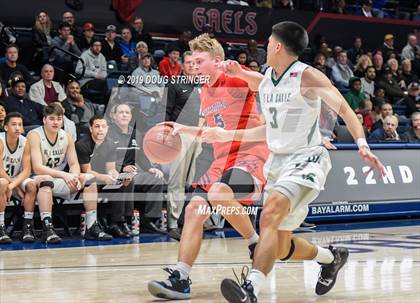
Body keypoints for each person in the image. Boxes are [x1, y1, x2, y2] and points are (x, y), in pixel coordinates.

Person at [205, 21, 383, 303]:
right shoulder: (269, 75)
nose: (264, 45)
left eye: (268, 40)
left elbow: (345, 109)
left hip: (306, 159)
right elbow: (262, 86)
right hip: (277, 163)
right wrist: (240, 73)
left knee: (269, 215)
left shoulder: (308, 76)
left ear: (277, 46)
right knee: (278, 245)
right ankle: (331, 257)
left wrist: (362, 144)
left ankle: (251, 290)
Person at [148, 33, 269, 300]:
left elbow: (267, 85)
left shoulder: (235, 75)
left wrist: (243, 72)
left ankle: (253, 242)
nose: (193, 65)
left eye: (199, 61)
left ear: (216, 61)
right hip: (222, 161)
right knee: (194, 209)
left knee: (216, 194)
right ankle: (181, 278)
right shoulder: (203, 92)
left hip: (251, 154)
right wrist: (183, 129)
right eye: (191, 61)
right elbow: (210, 132)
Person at [27, 103, 112, 242]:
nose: (56, 122)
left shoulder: (67, 136)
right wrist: (65, 175)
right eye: (52, 118)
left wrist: (74, 175)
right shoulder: (34, 135)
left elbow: (73, 163)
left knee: (89, 178)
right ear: (44, 119)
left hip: (61, 179)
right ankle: (48, 229)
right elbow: (37, 167)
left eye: (59, 119)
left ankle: (92, 227)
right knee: (46, 178)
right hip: (36, 179)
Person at [107, 103, 165, 233]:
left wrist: (150, 168)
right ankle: (122, 221)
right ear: (114, 116)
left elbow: (141, 156)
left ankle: (149, 220)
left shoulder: (136, 134)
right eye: (121, 112)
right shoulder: (108, 133)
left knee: (156, 179)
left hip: (133, 173)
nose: (124, 115)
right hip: (114, 174)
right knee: (127, 179)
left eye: (127, 113)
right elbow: (104, 158)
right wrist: (122, 168)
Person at [164, 51, 202, 239]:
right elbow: (166, 112)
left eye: (195, 63)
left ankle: (188, 220)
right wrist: (167, 135)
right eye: (188, 63)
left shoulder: (204, 84)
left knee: (194, 182)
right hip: (181, 135)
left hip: (202, 136)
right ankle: (173, 224)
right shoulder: (174, 84)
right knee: (177, 181)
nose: (192, 66)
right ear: (182, 65)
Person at [0, 112, 54, 243]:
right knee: (2, 183)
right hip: (2, 177)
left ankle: (27, 226)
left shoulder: (25, 142)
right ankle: (1, 227)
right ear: (5, 127)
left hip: (16, 179)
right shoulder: (0, 141)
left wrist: (13, 185)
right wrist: (13, 186)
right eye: (14, 124)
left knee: (31, 185)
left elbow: (26, 170)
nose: (18, 128)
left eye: (20, 125)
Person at [76, 115, 133, 238]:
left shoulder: (111, 144)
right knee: (93, 182)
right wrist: (105, 178)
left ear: (107, 129)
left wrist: (116, 176)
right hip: (86, 182)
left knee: (125, 182)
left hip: (102, 180)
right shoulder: (82, 145)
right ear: (91, 129)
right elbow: (87, 171)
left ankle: (118, 223)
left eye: (103, 126)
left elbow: (111, 168)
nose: (100, 129)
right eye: (97, 126)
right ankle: (104, 224)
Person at [75, 39, 108, 103]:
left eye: (99, 46)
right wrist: (94, 75)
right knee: (105, 84)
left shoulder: (102, 57)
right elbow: (78, 70)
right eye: (95, 45)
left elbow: (104, 71)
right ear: (91, 47)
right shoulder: (85, 55)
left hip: (99, 81)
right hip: (85, 81)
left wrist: (103, 76)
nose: (98, 47)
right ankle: (102, 104)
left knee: (108, 83)